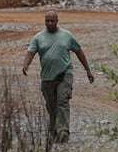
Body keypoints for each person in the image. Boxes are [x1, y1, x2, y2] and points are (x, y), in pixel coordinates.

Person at [21, 10, 94, 143]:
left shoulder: (67, 36)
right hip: (47, 77)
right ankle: (54, 130)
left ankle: (63, 132)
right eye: (47, 21)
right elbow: (30, 52)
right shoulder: (38, 37)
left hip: (65, 74)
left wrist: (88, 70)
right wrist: (26, 65)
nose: (50, 23)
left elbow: (79, 52)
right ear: (44, 21)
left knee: (62, 102)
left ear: (57, 21)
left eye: (52, 21)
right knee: (51, 105)